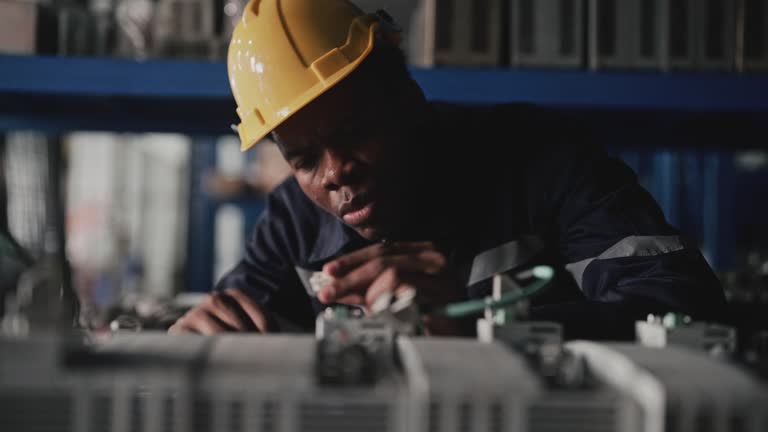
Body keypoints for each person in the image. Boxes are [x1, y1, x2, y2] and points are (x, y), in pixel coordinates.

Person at [169, 0, 725, 339]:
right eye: (306, 160)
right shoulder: (293, 222)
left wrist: (479, 323)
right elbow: (235, 317)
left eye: (353, 132)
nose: (336, 172)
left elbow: (689, 309)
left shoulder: (541, 160)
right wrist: (205, 335)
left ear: (409, 100)